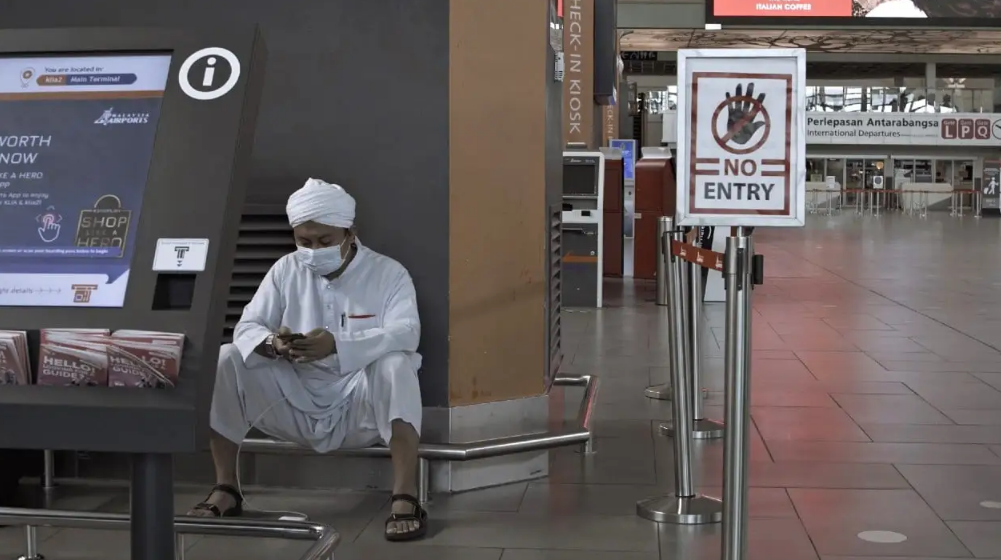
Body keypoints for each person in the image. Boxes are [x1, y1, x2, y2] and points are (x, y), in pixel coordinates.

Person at [186, 178, 427, 542]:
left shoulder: (388, 273)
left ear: (350, 233)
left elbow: (407, 332)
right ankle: (226, 488)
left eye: (325, 241)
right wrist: (273, 344)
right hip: (293, 393)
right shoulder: (286, 270)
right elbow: (247, 326)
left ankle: (405, 496)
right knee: (226, 359)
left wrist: (338, 345)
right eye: (304, 242)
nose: (314, 251)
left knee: (396, 364)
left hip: (358, 400)